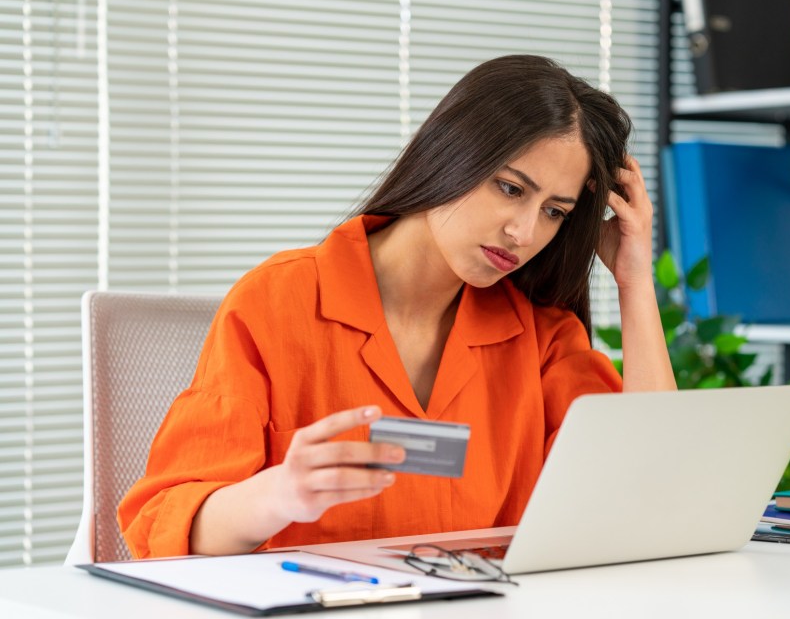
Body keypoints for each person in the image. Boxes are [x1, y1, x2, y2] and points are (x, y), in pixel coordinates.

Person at [118, 55, 677, 559]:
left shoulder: (540, 336)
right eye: (510, 188)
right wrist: (278, 494)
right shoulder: (277, 301)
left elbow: (646, 485)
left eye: (555, 211)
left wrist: (634, 280)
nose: (523, 230)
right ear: (451, 155)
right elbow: (161, 527)